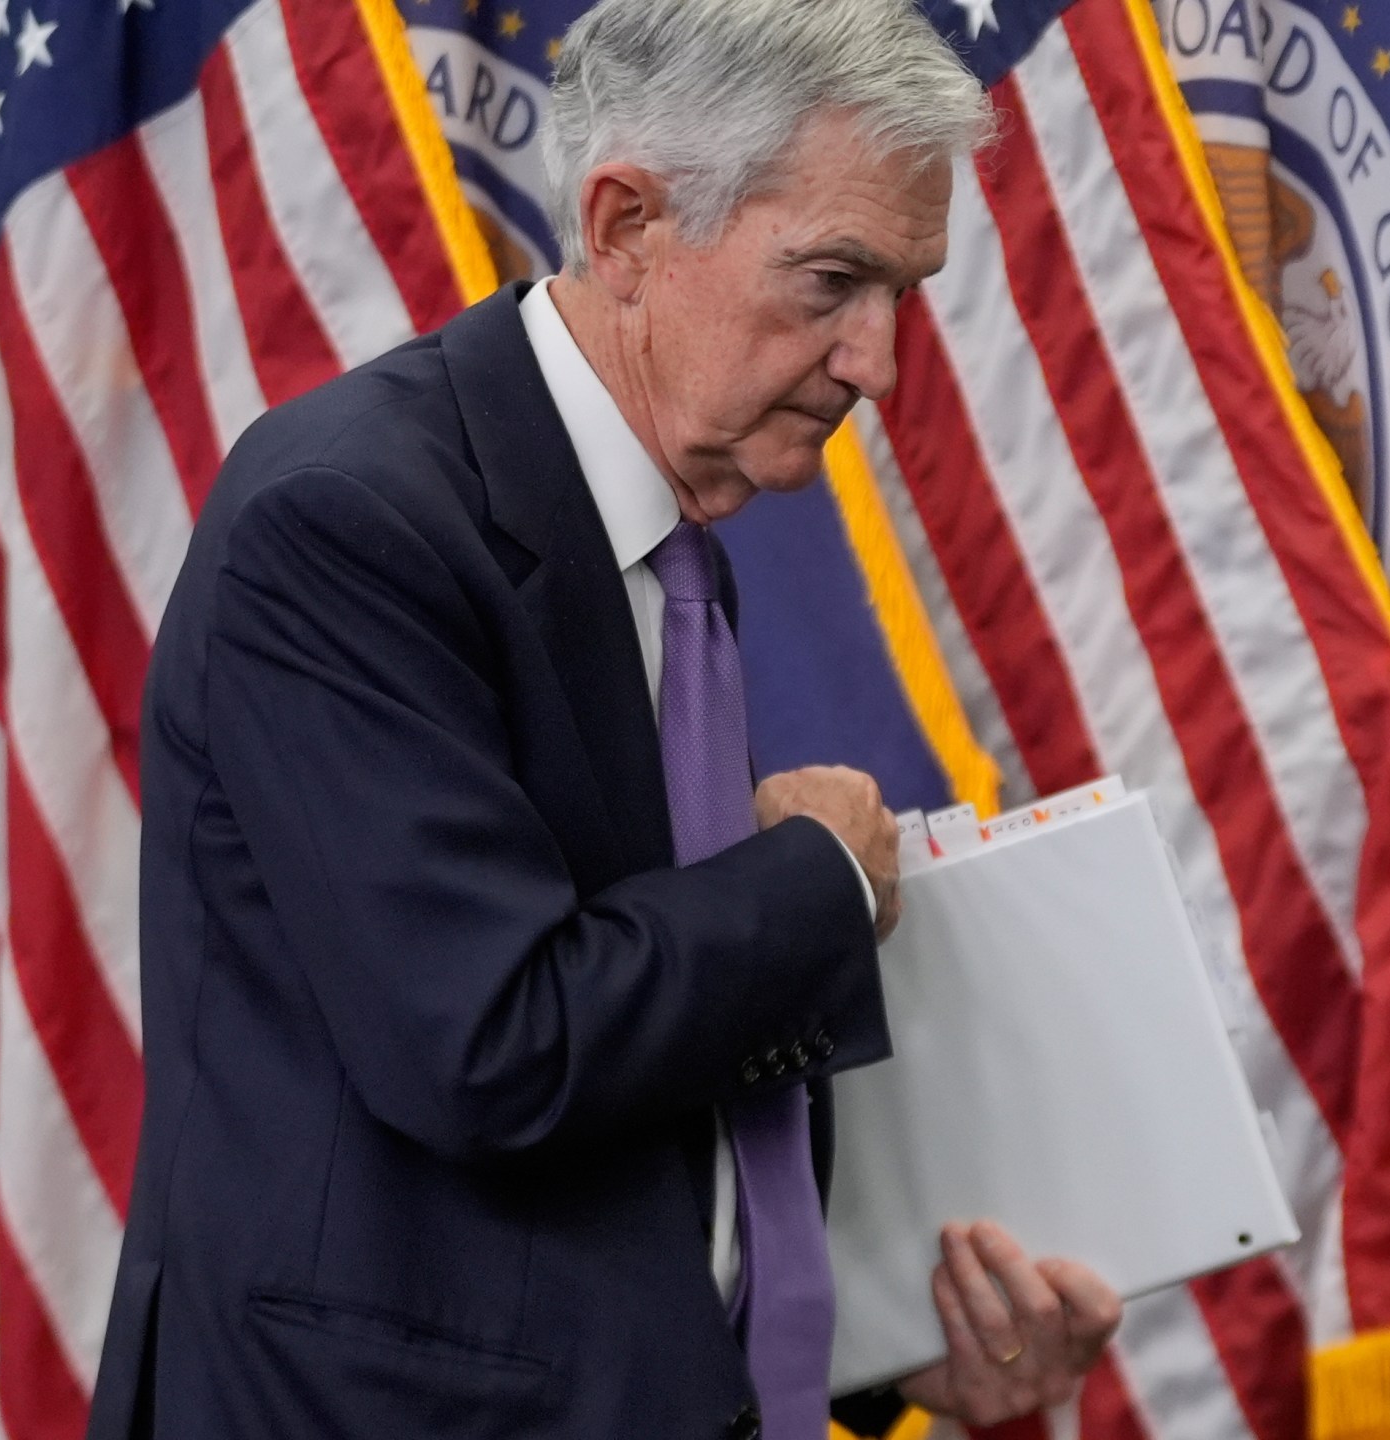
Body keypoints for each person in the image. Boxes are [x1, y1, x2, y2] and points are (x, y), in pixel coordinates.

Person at [85, 0, 1121, 1434]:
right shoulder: (348, 519)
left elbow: (642, 1092)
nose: (877, 362)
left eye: (902, 292)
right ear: (626, 225)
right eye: (834, 281)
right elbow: (494, 1046)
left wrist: (859, 1341)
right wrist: (815, 878)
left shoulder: (665, 545)